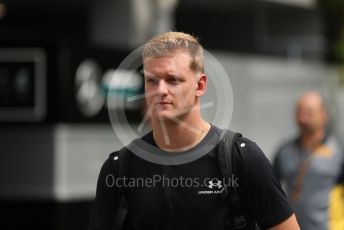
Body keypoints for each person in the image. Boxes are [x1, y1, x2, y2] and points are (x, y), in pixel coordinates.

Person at [89, 31, 300, 230]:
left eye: (173, 80)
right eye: (151, 81)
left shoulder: (241, 158)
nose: (160, 90)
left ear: (200, 85)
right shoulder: (120, 168)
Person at [273, 91, 344, 230]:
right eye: (299, 112)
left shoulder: (339, 150)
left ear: (324, 115)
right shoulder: (284, 151)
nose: (303, 119)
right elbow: (271, 191)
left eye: (309, 113)